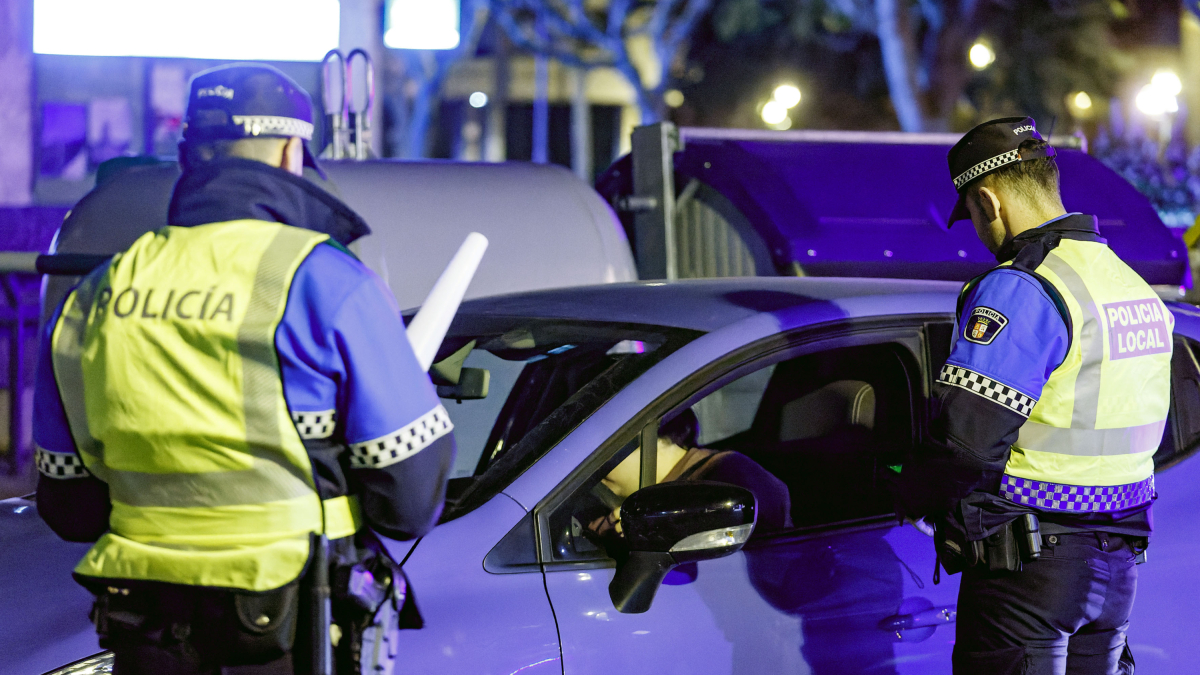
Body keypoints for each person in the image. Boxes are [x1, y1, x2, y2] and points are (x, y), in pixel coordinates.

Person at [33, 63, 455, 674]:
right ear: (289, 153)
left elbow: (67, 504)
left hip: (145, 629)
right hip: (289, 633)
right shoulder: (325, 280)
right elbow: (409, 501)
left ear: (188, 157)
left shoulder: (94, 295)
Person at [894, 117, 1171, 674]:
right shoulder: (1127, 284)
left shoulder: (1022, 285)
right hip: (1119, 566)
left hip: (1031, 569)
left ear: (988, 201)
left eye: (973, 215)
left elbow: (967, 443)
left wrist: (907, 494)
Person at [593, 409, 792, 537]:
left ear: (660, 437)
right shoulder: (643, 494)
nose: (597, 463)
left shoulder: (727, 472)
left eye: (610, 447)